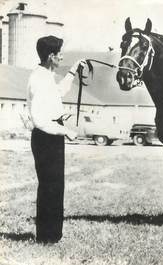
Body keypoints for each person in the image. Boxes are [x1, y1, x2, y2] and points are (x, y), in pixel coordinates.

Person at [27, 35, 86, 244]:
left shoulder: (46, 76)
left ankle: (51, 236)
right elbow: (40, 120)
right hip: (46, 138)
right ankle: (46, 237)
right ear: (51, 56)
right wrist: (65, 131)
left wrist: (73, 70)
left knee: (54, 186)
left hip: (51, 137)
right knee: (49, 187)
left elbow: (59, 92)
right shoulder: (39, 79)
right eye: (60, 53)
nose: (62, 56)